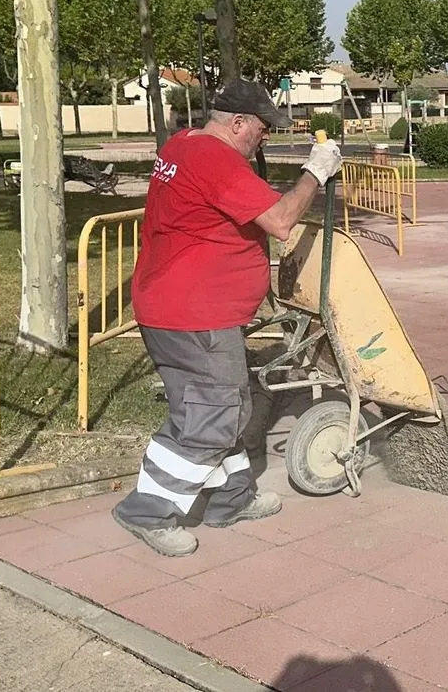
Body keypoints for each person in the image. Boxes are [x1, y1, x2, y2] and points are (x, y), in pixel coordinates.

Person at [112, 78, 344, 557]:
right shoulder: (214, 159)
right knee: (213, 414)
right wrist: (315, 173)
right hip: (195, 314)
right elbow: (280, 222)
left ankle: (232, 497)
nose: (265, 136)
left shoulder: (183, 144)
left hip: (171, 305)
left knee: (225, 405)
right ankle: (147, 510)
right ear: (238, 123)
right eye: (262, 128)